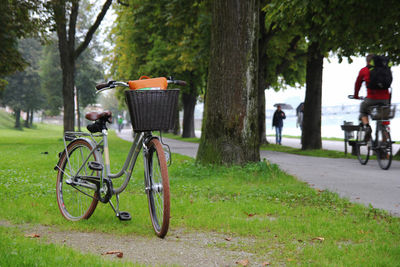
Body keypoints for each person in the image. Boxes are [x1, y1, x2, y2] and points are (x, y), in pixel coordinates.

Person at [353, 54, 391, 141]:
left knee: (363, 110)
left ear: (367, 61)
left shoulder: (364, 70)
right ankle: (385, 144)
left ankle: (367, 127)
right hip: (385, 99)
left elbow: (357, 84)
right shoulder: (385, 70)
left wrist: (356, 95)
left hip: (371, 99)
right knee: (384, 118)